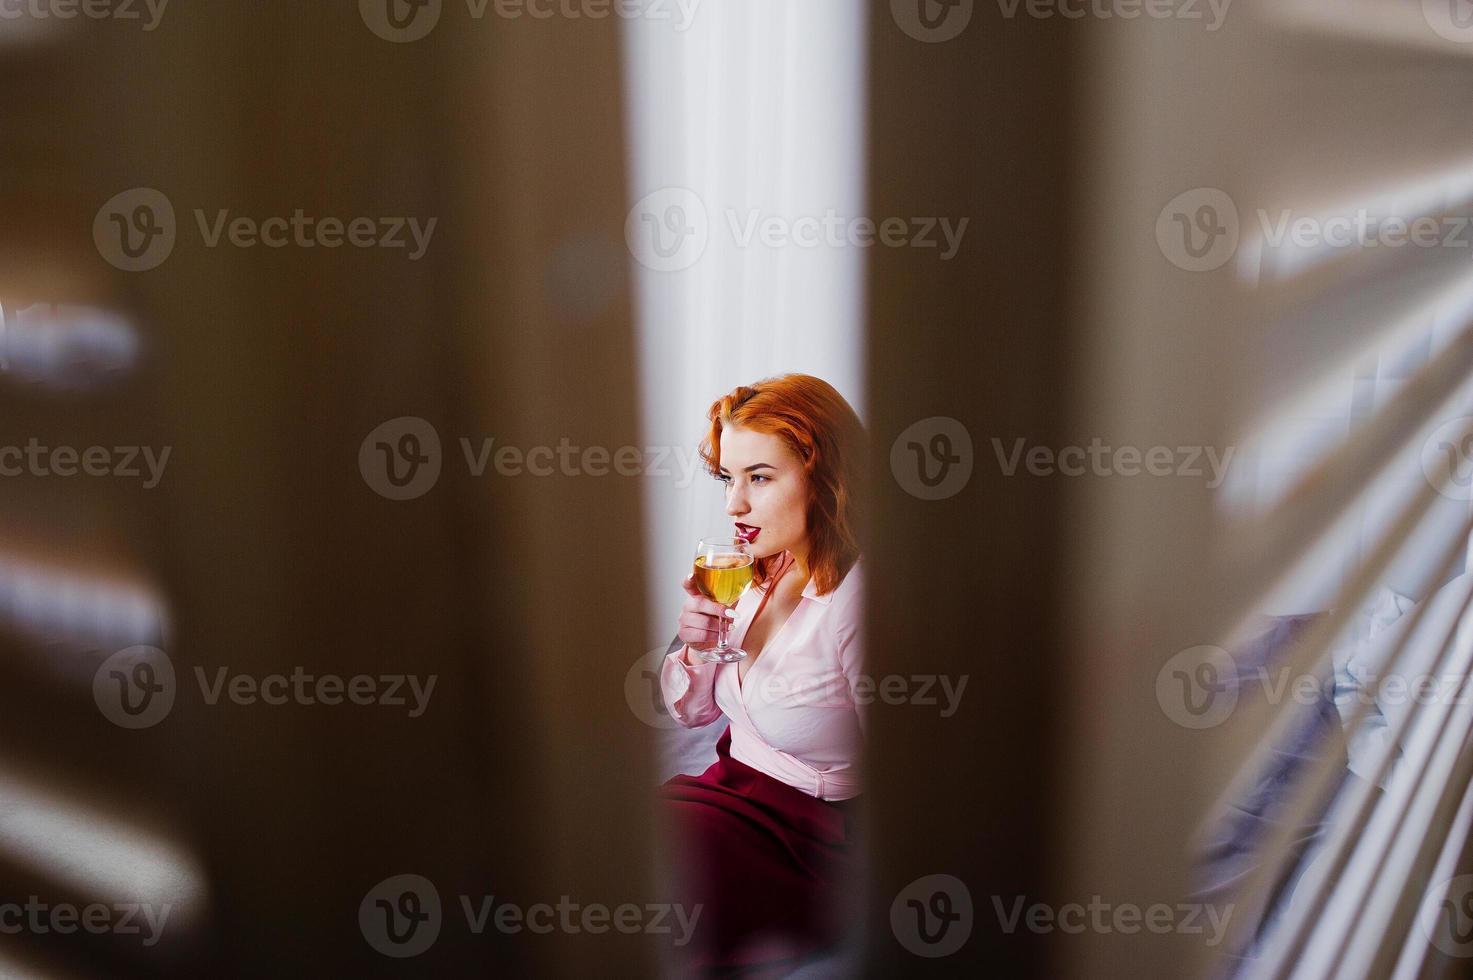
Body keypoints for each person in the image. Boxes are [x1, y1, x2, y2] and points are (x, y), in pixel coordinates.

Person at [658, 373, 868, 976]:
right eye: (729, 477)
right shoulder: (754, 572)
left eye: (760, 477)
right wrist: (699, 648)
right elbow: (695, 714)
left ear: (829, 480)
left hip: (811, 837)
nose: (733, 505)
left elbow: (917, 775)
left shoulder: (858, 606)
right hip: (728, 791)